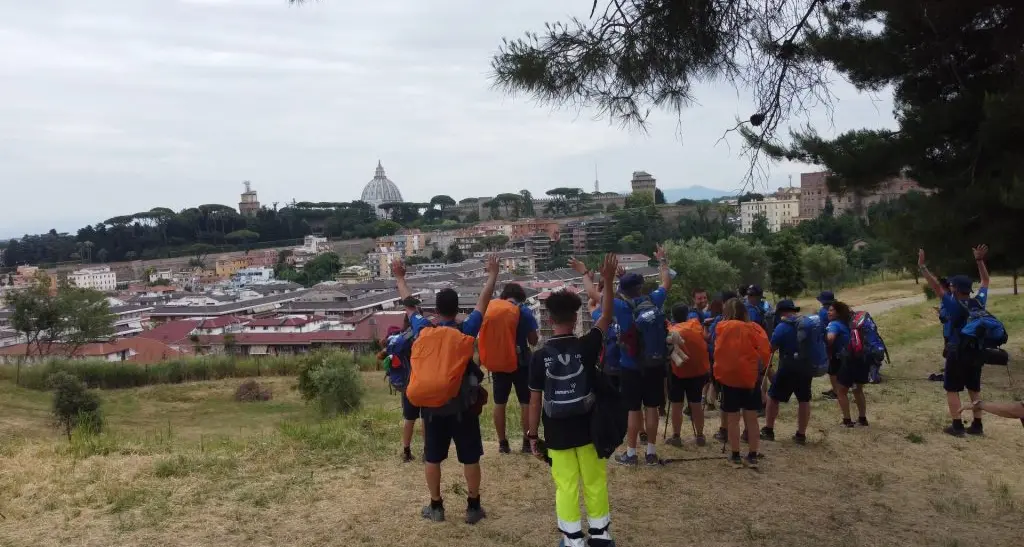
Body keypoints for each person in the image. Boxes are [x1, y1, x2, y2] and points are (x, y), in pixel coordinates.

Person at [393, 255, 500, 524]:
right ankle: (473, 507)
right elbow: (483, 303)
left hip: (432, 408)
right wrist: (492, 275)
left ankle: (436, 507)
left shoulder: (423, 329)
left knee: (432, 458)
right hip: (462, 406)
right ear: (457, 309)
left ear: (437, 311)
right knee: (470, 458)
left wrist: (400, 278)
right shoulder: (466, 330)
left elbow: (409, 307)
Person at [527, 253, 619, 547]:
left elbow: (534, 400)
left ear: (550, 319)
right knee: (594, 480)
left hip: (557, 430)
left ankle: (572, 539)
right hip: (589, 426)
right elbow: (606, 316)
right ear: (576, 317)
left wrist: (532, 435)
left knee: (565, 485)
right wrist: (605, 279)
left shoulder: (539, 357)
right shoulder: (587, 345)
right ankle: (601, 534)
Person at [919, 245, 991, 437]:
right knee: (974, 388)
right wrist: (979, 261)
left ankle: (957, 426)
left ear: (956, 289)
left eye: (951, 285)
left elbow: (935, 287)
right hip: (976, 350)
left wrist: (922, 267)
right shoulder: (978, 301)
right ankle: (977, 425)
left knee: (952, 388)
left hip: (957, 351)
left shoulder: (953, 304)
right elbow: (985, 280)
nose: (949, 287)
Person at [610, 245, 672, 466]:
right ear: (641, 287)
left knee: (634, 410)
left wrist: (610, 279)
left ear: (623, 290)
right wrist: (662, 260)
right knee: (652, 408)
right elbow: (666, 282)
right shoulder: (653, 300)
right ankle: (652, 452)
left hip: (630, 366)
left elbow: (598, 296)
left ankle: (631, 452)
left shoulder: (620, 306)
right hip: (654, 363)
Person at [482, 282, 540, 455]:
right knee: (525, 402)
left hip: (499, 362)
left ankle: (502, 443)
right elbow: (533, 340)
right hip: (521, 362)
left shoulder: (493, 310)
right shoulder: (524, 311)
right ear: (521, 296)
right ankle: (526, 443)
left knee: (500, 403)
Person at [713, 298, 770, 468]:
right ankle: (752, 454)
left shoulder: (721, 328)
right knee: (751, 418)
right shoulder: (754, 328)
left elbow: (716, 350)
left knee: (732, 418)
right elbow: (764, 352)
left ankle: (735, 454)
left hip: (729, 378)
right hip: (749, 378)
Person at [761, 300, 815, 445]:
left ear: (781, 312)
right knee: (804, 400)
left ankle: (769, 429)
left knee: (773, 397)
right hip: (806, 367)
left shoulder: (782, 327)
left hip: (788, 367)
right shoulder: (808, 324)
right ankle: (801, 434)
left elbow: (771, 348)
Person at [666, 303, 710, 447]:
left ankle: (676, 436)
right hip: (697, 372)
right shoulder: (696, 326)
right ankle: (700, 436)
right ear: (687, 315)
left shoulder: (671, 330)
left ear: (673, 316)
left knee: (676, 405)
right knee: (696, 404)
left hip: (678, 372)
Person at [826, 301, 868, 427]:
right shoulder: (850, 323)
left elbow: (830, 339)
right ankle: (862, 418)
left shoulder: (833, 324)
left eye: (832, 310)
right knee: (857, 390)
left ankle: (847, 420)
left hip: (845, 361)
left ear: (838, 313)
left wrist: (822, 336)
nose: (829, 312)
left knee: (841, 391)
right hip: (858, 359)